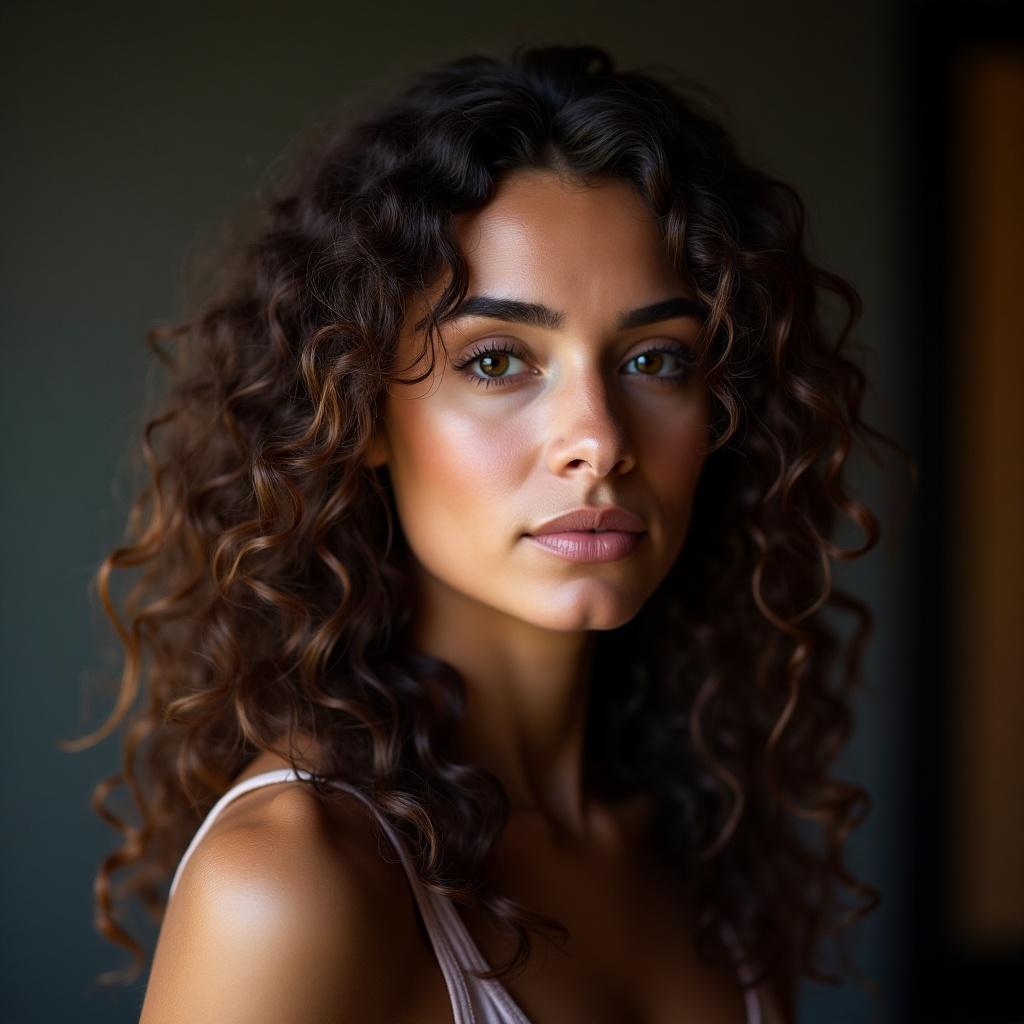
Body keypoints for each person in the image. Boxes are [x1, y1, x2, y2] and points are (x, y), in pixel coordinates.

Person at [65, 42, 909, 1024]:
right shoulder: (297, 879)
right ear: (362, 412)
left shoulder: (693, 850)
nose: (596, 441)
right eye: (500, 360)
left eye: (653, 359)